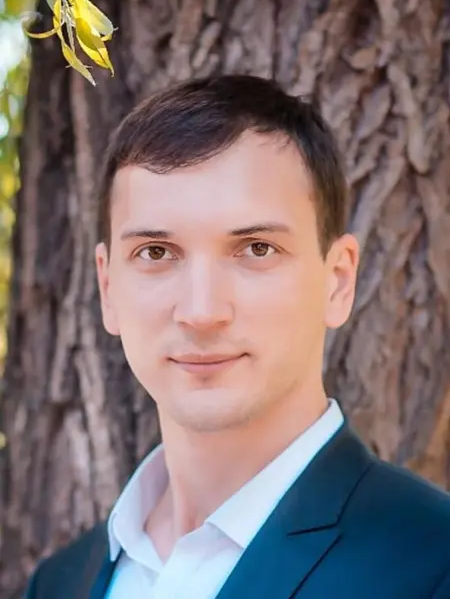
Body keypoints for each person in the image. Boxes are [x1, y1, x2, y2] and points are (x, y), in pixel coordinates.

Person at [25, 75, 450, 599]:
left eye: (256, 249)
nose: (201, 312)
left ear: (338, 280)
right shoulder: (57, 584)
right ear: (108, 287)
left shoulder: (434, 563)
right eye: (156, 253)